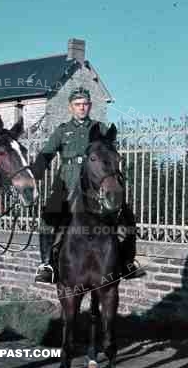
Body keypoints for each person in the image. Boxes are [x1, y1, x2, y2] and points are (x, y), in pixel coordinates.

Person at [31, 86, 138, 284]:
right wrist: (33, 174)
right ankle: (46, 265)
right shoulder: (62, 131)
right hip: (66, 183)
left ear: (90, 106)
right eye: (78, 104)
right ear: (71, 107)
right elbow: (46, 154)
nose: (82, 108)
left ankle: (127, 262)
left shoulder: (100, 128)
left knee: (126, 216)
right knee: (48, 219)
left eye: (85, 104)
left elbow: (110, 156)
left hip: (95, 185)